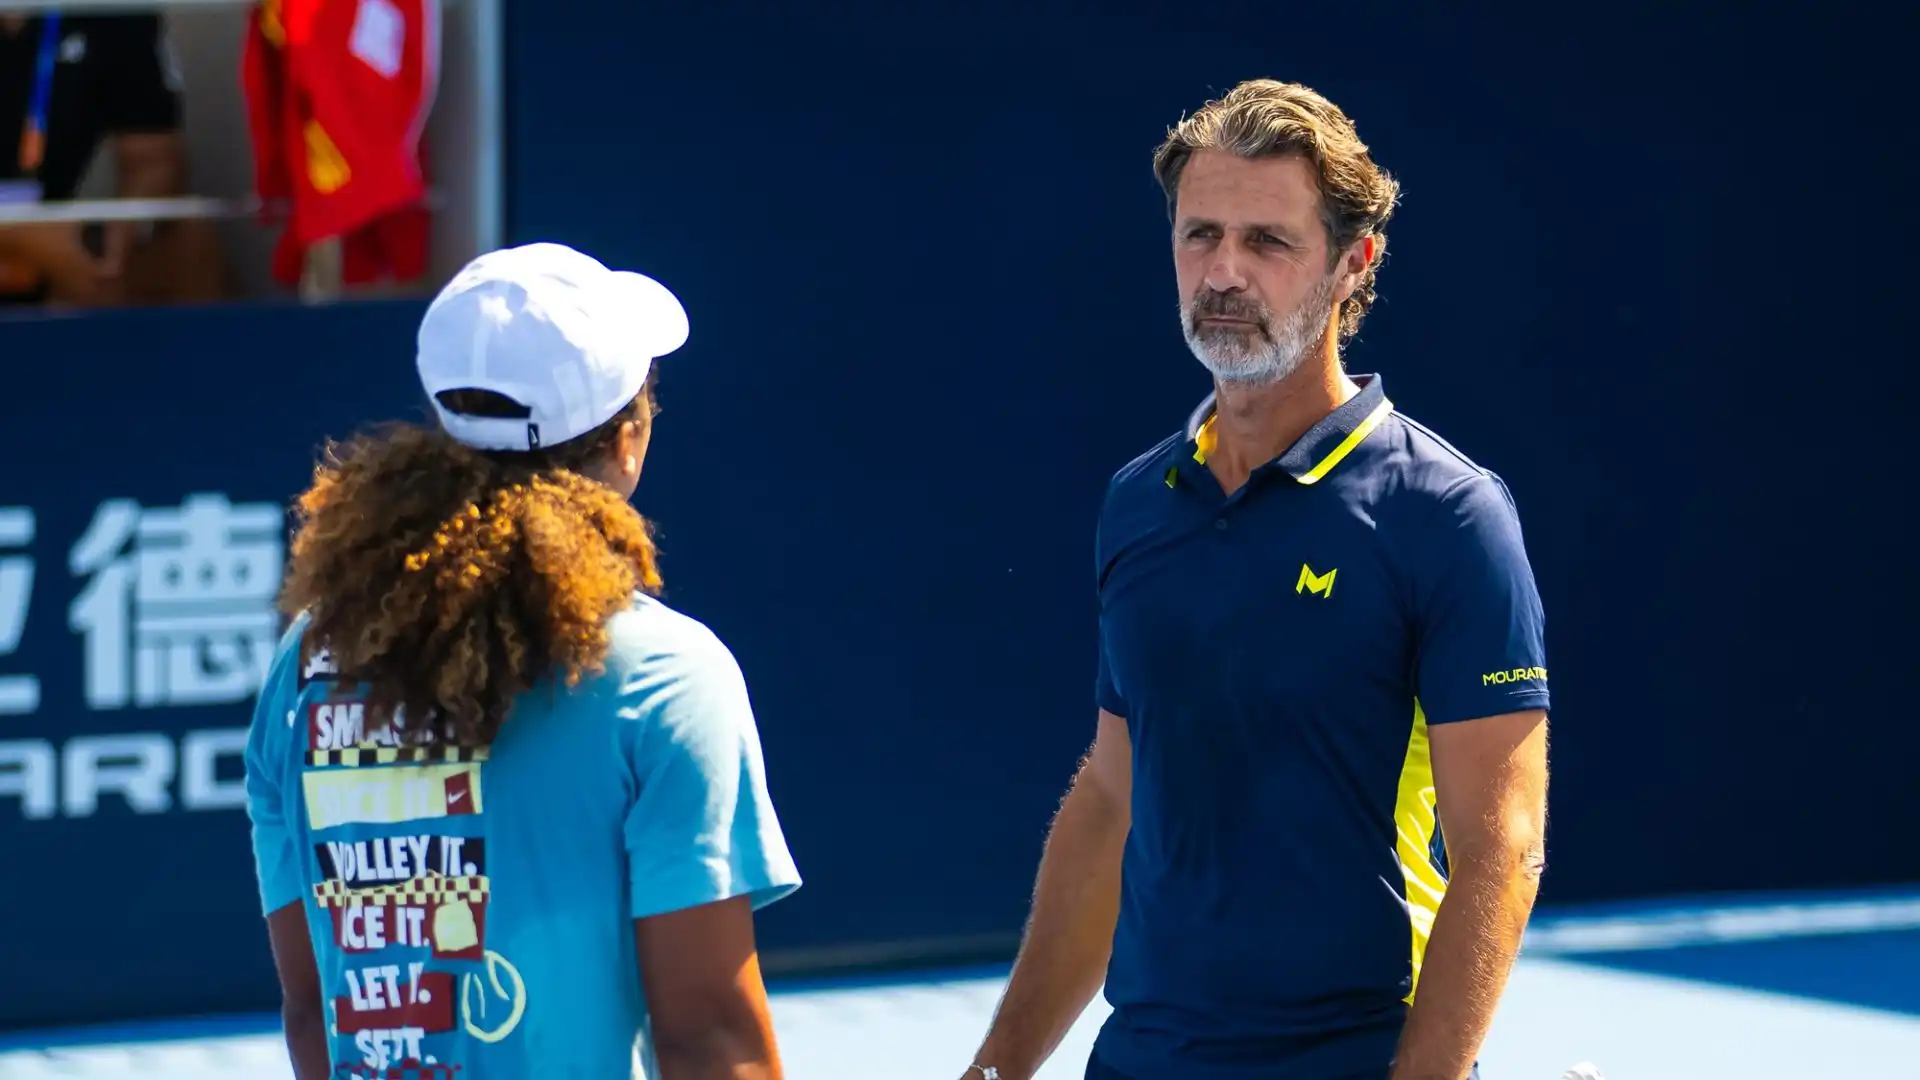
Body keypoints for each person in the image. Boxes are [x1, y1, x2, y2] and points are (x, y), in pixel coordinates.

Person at [962, 79, 1552, 1080]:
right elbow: (1114, 794)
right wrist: (996, 1070)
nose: (1224, 272)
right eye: (1200, 236)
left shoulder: (1447, 516)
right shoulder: (1138, 501)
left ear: (1351, 263)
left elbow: (1503, 848)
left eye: (1267, 242)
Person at [245, 242, 802, 1080]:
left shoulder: (306, 663)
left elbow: (313, 1010)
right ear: (630, 441)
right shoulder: (668, 679)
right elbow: (711, 1039)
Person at [0, 11, 220, 307]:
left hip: (51, 224)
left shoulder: (113, 12)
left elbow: (154, 158)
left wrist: (127, 227)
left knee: (190, 240)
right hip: (24, 229)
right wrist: (20, 232)